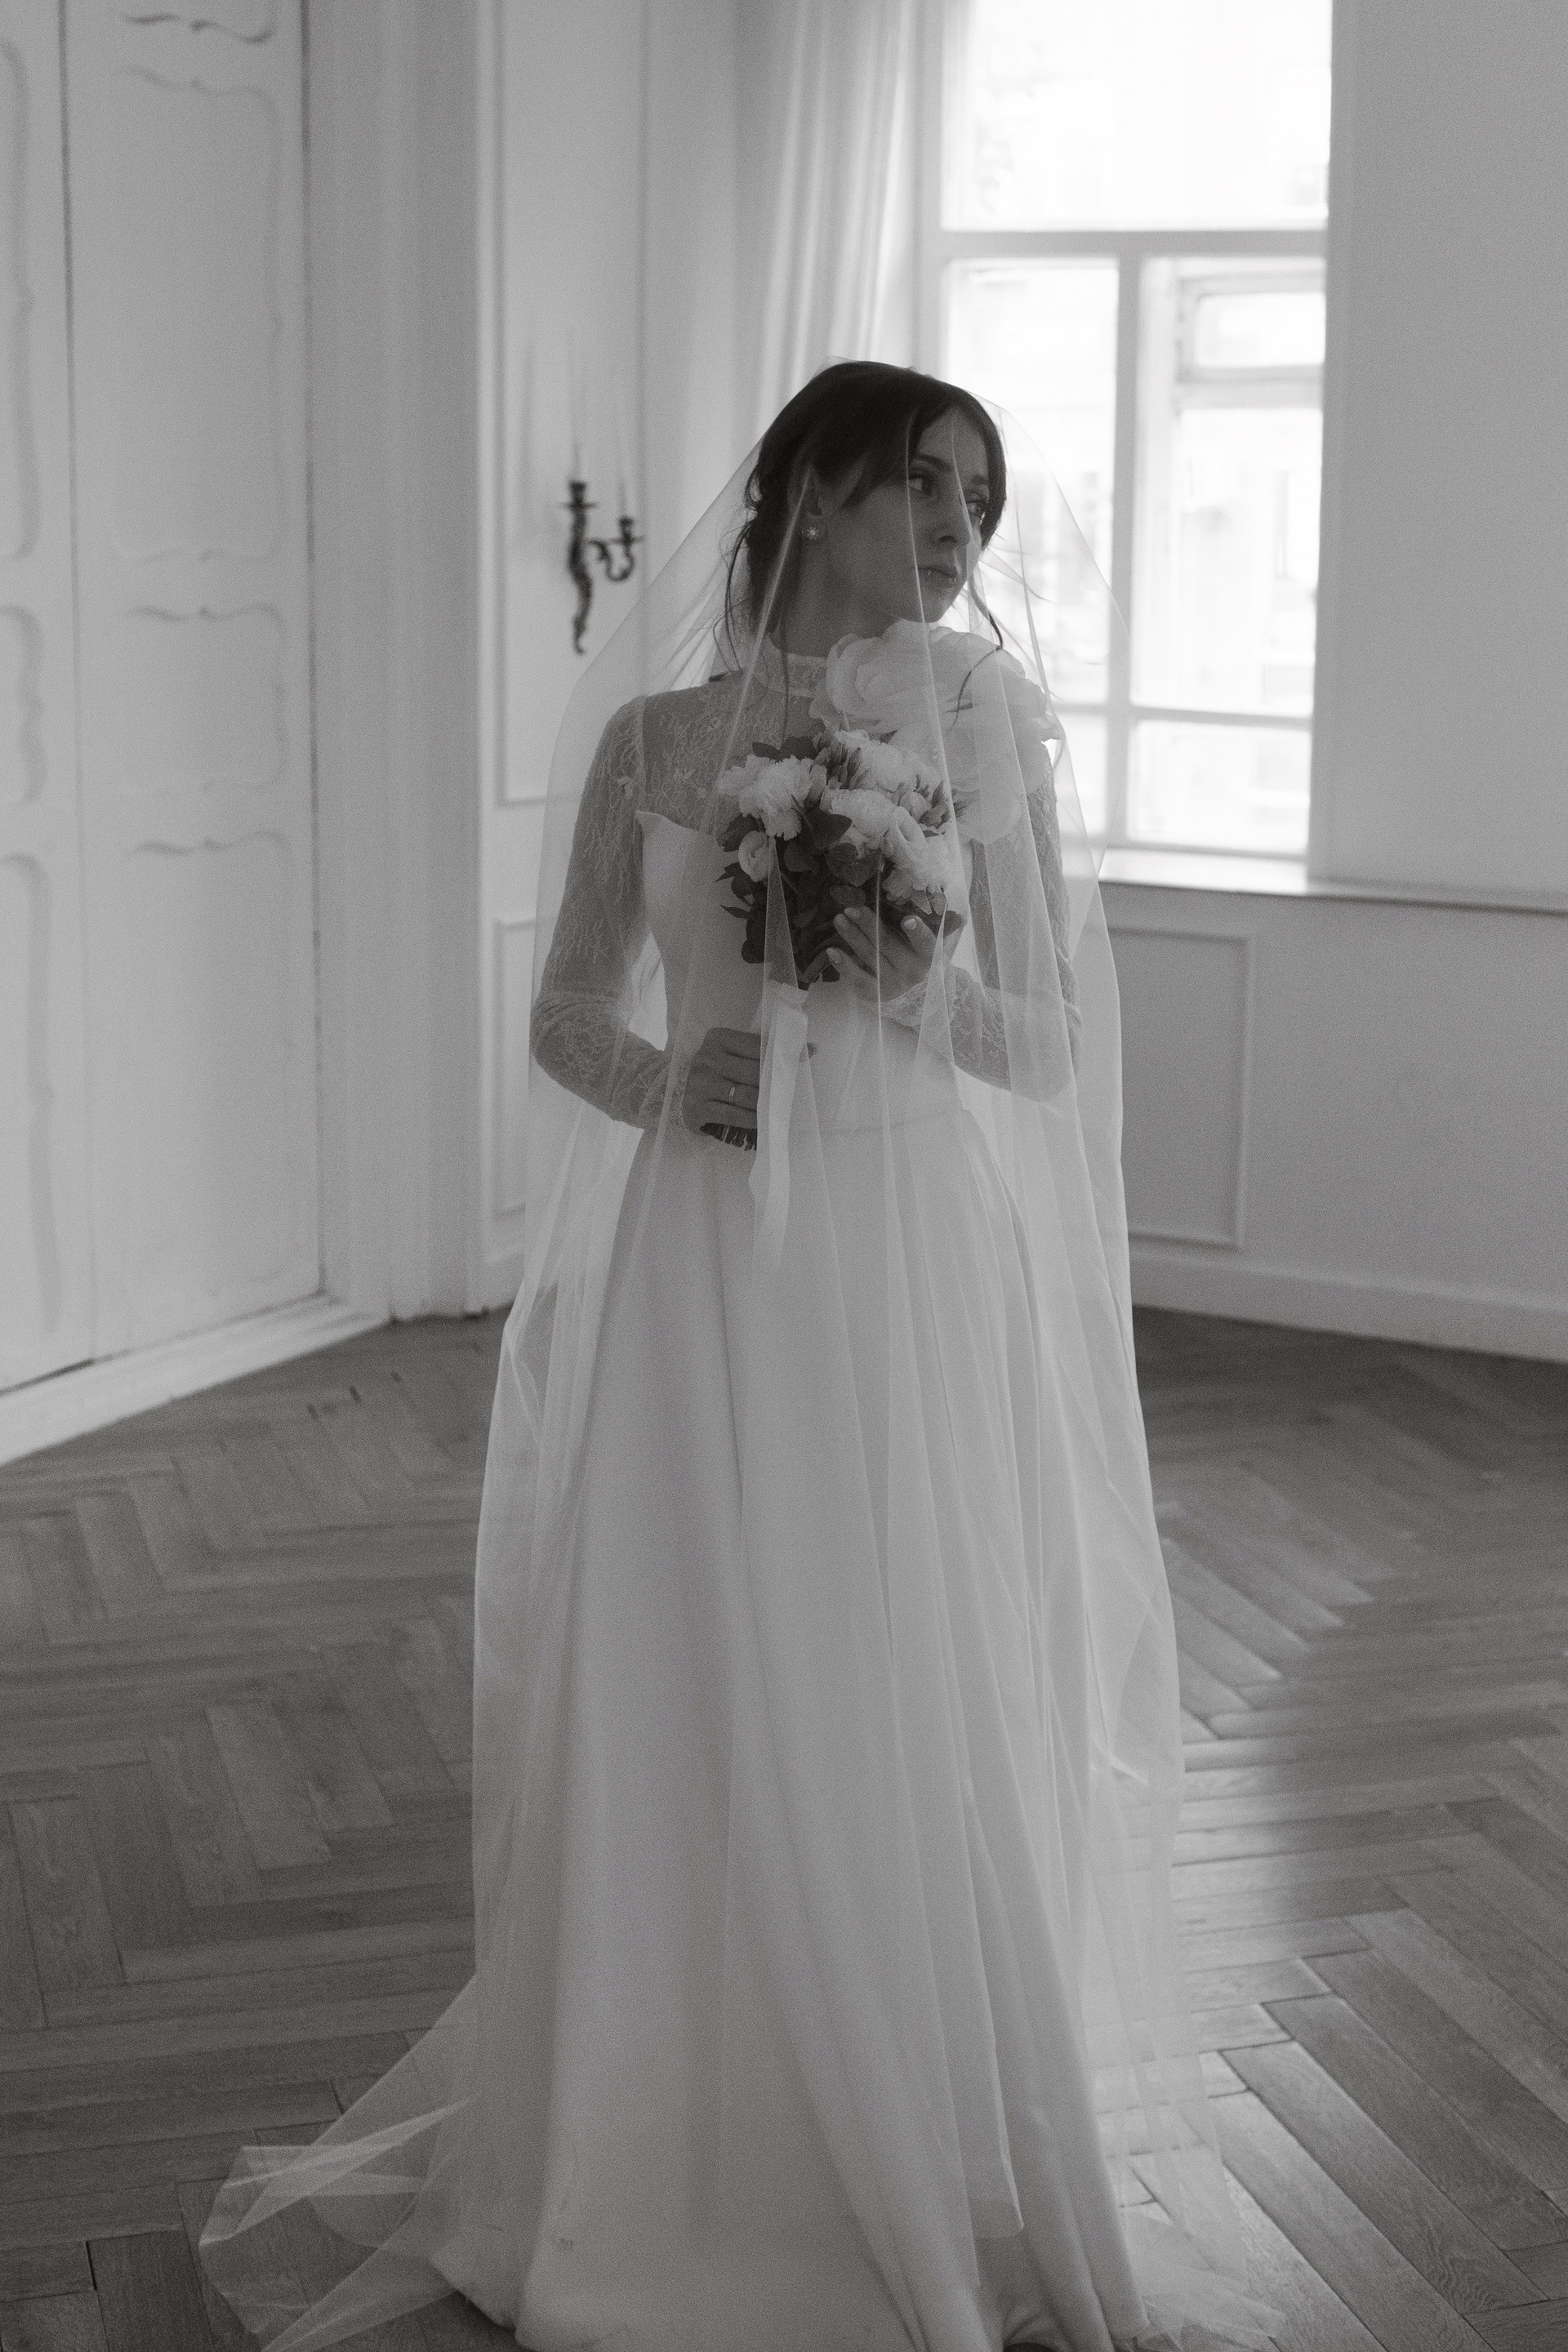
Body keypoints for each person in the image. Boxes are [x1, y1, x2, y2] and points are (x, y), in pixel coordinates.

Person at [203, 363, 1276, 2352]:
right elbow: (564, 1017)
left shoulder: (981, 727)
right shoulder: (661, 741)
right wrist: (668, 1081)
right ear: (807, 492)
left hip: (910, 1264)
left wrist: (921, 991)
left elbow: (1050, 1050)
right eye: (922, 487)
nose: (956, 531)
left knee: (900, 1667)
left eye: (979, 499)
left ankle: (912, 2125)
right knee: (690, 1659)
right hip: (707, 1261)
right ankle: (664, 2139)